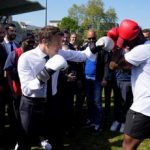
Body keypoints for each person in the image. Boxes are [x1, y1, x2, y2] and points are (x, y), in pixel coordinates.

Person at [18, 25, 114, 150]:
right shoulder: (26, 58)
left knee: (57, 139)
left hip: (52, 102)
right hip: (31, 104)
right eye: (58, 42)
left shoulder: (59, 53)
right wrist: (47, 71)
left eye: (62, 41)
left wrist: (98, 46)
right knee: (25, 141)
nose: (61, 45)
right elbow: (26, 89)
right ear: (45, 41)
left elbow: (82, 56)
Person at [109, 19, 150, 150]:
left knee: (128, 144)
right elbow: (127, 67)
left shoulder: (141, 50)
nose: (126, 46)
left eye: (127, 42)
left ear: (134, 39)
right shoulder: (148, 46)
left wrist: (117, 46)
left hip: (144, 107)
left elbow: (113, 65)